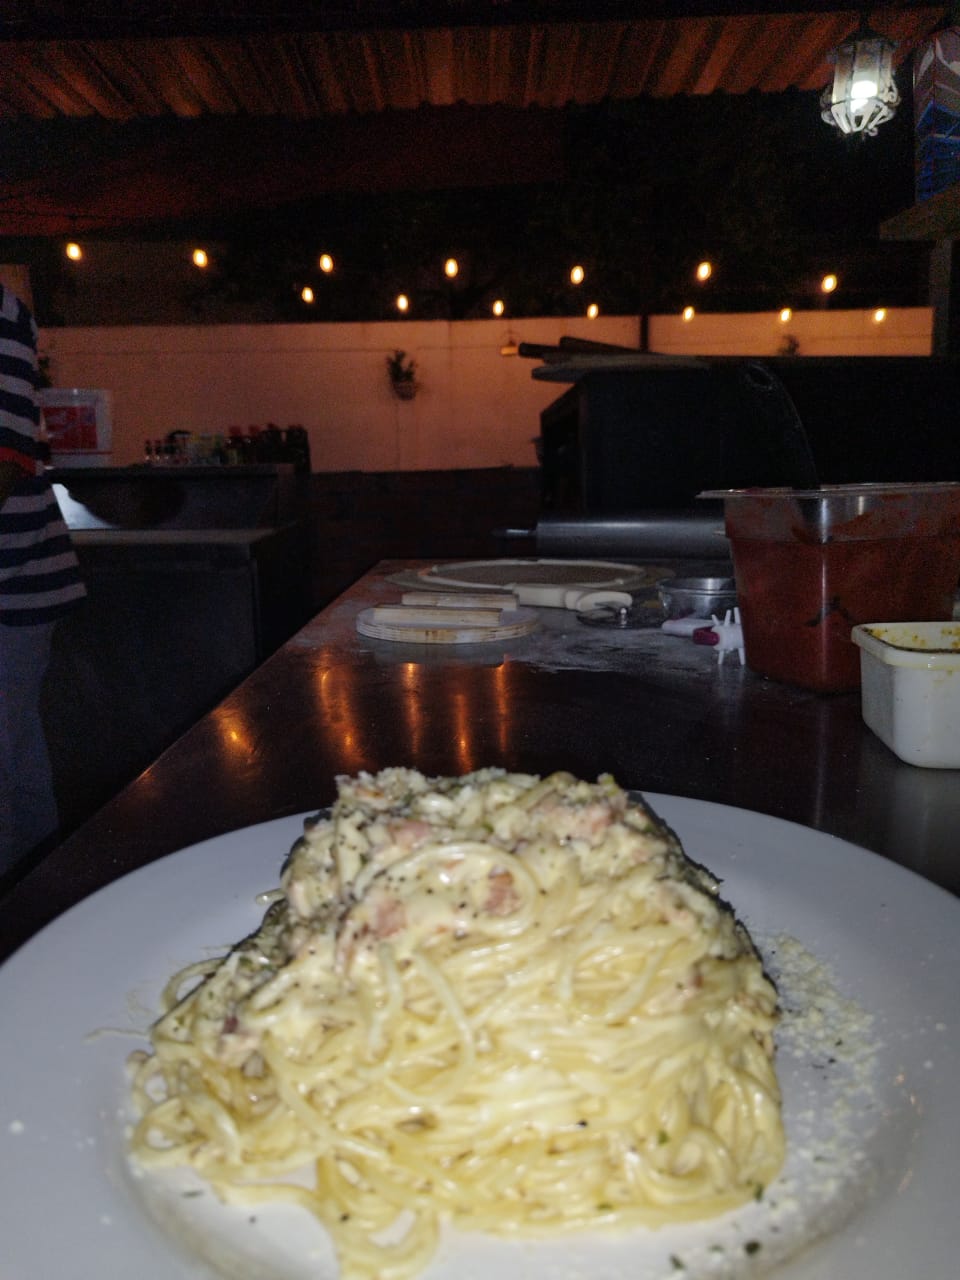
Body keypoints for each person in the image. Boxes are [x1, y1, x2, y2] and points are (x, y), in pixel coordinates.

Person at [0, 283, 86, 874]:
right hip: (22, 573)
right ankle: (39, 898)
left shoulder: (2, 314)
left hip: (15, 575)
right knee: (16, 758)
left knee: (9, 762)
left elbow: (6, 459)